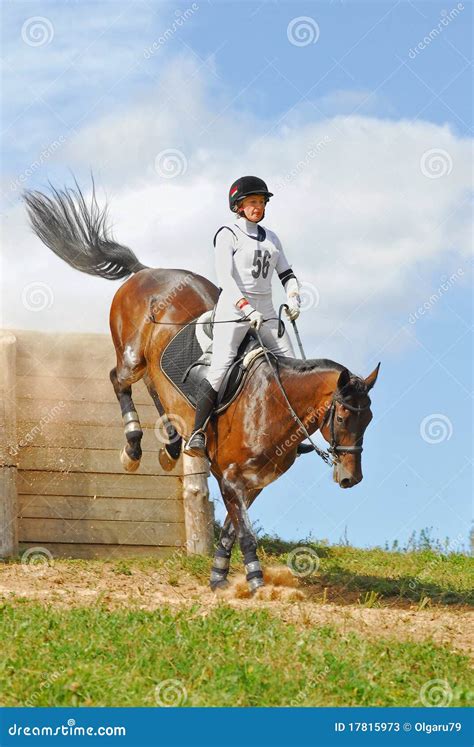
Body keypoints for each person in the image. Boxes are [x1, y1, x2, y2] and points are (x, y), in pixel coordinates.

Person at [183, 175, 301, 457]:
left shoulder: (272, 238)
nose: (257, 207)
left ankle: (295, 432)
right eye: (252, 202)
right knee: (221, 366)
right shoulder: (228, 234)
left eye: (261, 202)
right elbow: (225, 276)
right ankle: (197, 433)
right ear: (239, 205)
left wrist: (294, 296)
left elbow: (287, 274)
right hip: (234, 309)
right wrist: (246, 308)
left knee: (294, 367)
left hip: (268, 310)